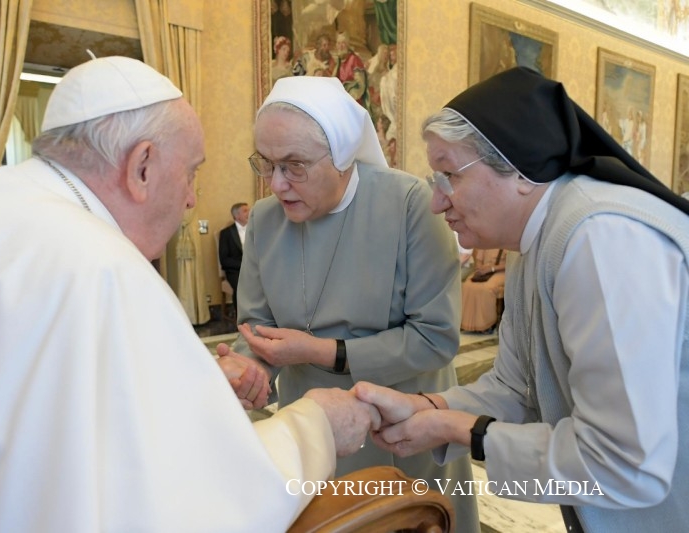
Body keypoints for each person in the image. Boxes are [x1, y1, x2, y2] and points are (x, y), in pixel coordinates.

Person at [0, 56, 380, 532]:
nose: (191, 198)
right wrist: (315, 426)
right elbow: (175, 503)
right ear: (142, 165)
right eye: (191, 172)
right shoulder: (100, 265)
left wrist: (189, 382)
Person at [355, 66, 689, 532]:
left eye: (449, 175)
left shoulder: (600, 238)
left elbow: (627, 464)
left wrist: (459, 430)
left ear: (519, 170)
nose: (437, 201)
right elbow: (518, 389)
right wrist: (429, 408)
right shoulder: (534, 240)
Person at [222, 75, 480, 532]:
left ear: (342, 156)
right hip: (312, 429)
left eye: (294, 165)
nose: (276, 185)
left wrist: (320, 352)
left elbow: (435, 340)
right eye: (267, 163)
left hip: (398, 427)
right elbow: (257, 326)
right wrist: (249, 369)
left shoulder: (411, 205)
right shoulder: (264, 220)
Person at [460, 248, 507, 333]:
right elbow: (479, 260)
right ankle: (467, 325)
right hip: (484, 272)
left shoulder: (508, 243)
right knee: (466, 286)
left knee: (486, 288)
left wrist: (492, 268)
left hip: (501, 272)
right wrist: (479, 269)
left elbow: (509, 264)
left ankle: (487, 325)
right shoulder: (486, 242)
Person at [218, 201, 250, 312]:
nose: (249, 213)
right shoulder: (226, 233)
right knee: (241, 288)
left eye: (249, 210)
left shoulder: (256, 229)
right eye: (245, 211)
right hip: (235, 271)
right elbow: (224, 260)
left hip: (255, 269)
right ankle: (241, 317)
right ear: (237, 216)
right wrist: (244, 265)